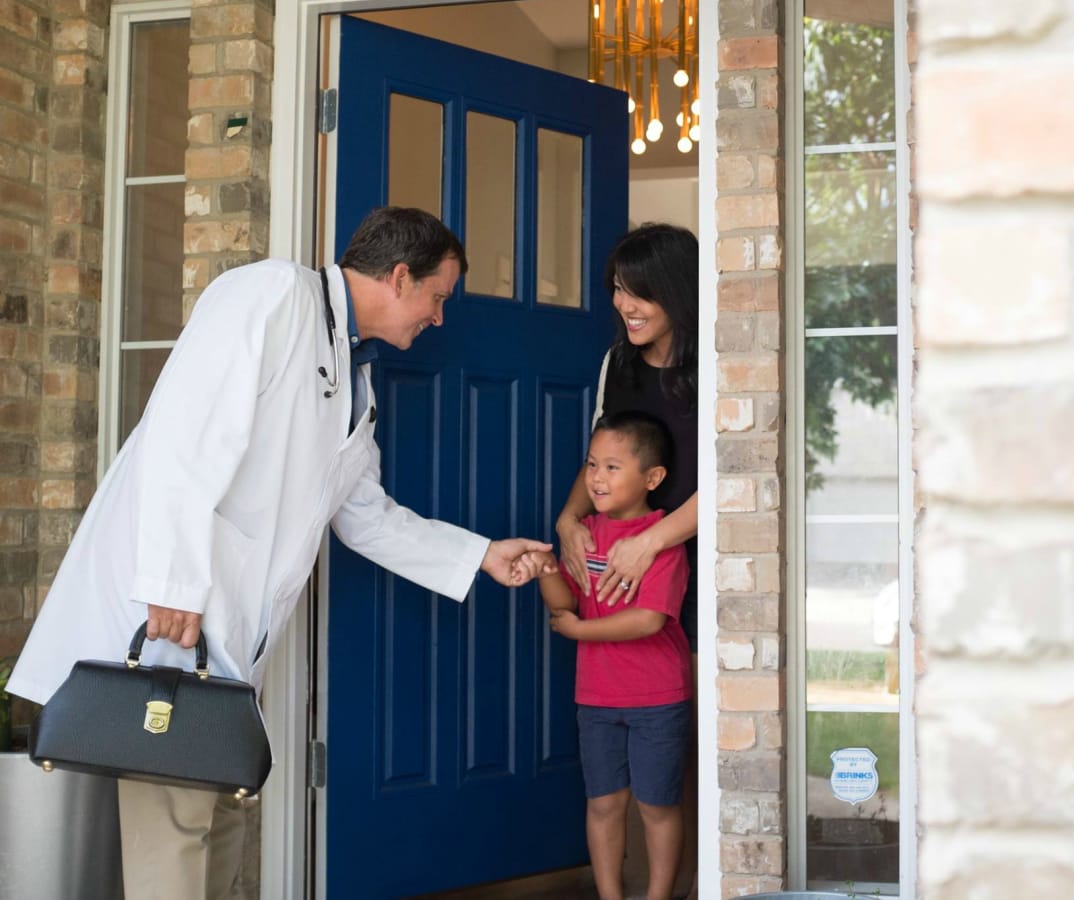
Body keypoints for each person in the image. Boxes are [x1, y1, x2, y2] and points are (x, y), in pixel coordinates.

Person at [7, 206, 552, 900]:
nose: (439, 319)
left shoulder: (357, 381)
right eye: (439, 298)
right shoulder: (271, 295)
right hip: (175, 617)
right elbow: (185, 434)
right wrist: (170, 581)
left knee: (224, 827)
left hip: (229, 648)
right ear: (400, 276)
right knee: (175, 839)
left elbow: (366, 518)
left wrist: (481, 555)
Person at [555, 222, 699, 895]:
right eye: (617, 288)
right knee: (620, 779)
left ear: (676, 290)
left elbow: (740, 472)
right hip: (631, 556)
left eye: (638, 291)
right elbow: (601, 454)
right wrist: (569, 517)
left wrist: (655, 538)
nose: (624, 303)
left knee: (676, 749)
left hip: (694, 563)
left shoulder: (722, 359)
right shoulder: (621, 363)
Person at [530, 411, 691, 900]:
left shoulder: (661, 541)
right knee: (603, 804)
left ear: (652, 478)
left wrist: (583, 629)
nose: (597, 478)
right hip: (597, 698)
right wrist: (544, 570)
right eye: (592, 464)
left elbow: (649, 620)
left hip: (657, 698)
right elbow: (566, 608)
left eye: (612, 467)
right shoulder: (584, 535)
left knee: (657, 807)